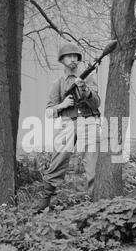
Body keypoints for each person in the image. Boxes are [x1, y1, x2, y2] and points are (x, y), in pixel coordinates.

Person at [34, 43, 101, 212]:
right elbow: (49, 112)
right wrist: (62, 105)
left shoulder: (89, 78)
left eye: (75, 56)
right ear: (62, 60)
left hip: (88, 121)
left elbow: (97, 102)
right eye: (68, 56)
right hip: (67, 123)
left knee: (93, 163)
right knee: (58, 160)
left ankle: (97, 202)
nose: (72, 59)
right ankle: (45, 198)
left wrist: (84, 89)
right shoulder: (58, 83)